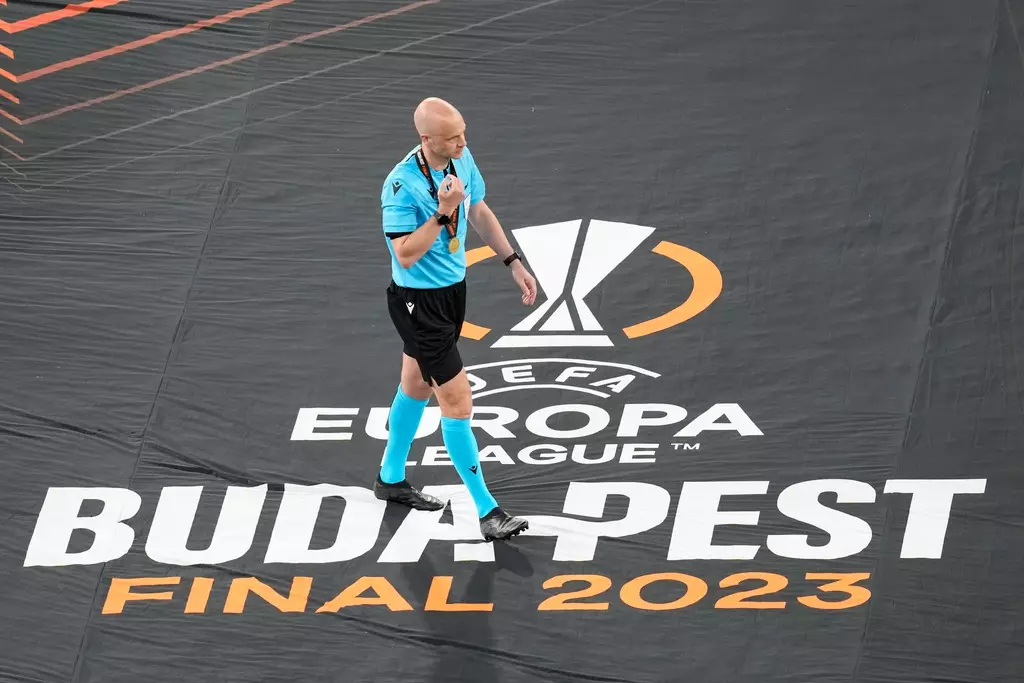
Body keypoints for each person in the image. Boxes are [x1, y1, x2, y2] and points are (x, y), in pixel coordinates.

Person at [372, 97, 537, 542]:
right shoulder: (401, 185)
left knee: (415, 385)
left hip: (451, 294)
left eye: (463, 133)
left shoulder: (461, 157)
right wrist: (443, 211)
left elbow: (478, 209)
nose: (462, 142)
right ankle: (488, 511)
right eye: (452, 138)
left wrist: (513, 262)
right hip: (418, 304)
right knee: (458, 404)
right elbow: (404, 254)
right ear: (426, 139)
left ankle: (390, 478)